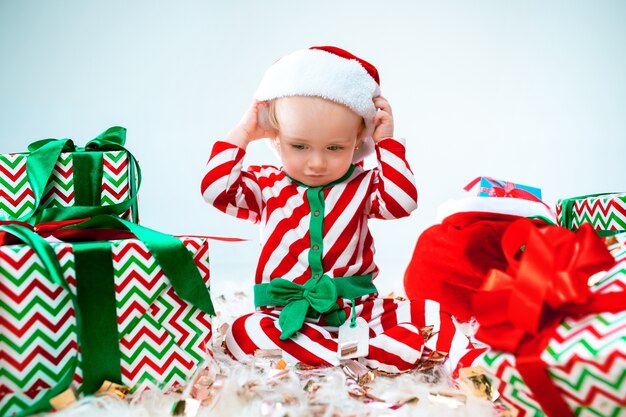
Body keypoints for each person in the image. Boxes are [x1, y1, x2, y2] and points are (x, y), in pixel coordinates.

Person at [201, 46, 482, 373]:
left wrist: (386, 143)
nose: (317, 162)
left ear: (358, 140)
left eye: (335, 148)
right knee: (243, 333)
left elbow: (403, 201)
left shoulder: (363, 185)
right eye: (299, 146)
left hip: (358, 312)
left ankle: (473, 367)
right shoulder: (266, 185)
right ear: (276, 137)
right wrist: (243, 132)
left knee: (430, 314)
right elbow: (215, 189)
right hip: (285, 316)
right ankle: (364, 356)